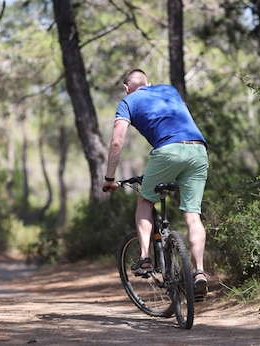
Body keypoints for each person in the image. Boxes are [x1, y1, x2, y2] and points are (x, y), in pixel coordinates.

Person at [102, 68, 209, 302]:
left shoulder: (127, 101)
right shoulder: (169, 90)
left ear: (126, 87)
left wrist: (110, 178)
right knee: (193, 215)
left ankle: (145, 257)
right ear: (148, 83)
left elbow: (117, 141)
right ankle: (199, 271)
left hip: (168, 150)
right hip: (199, 149)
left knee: (145, 200)